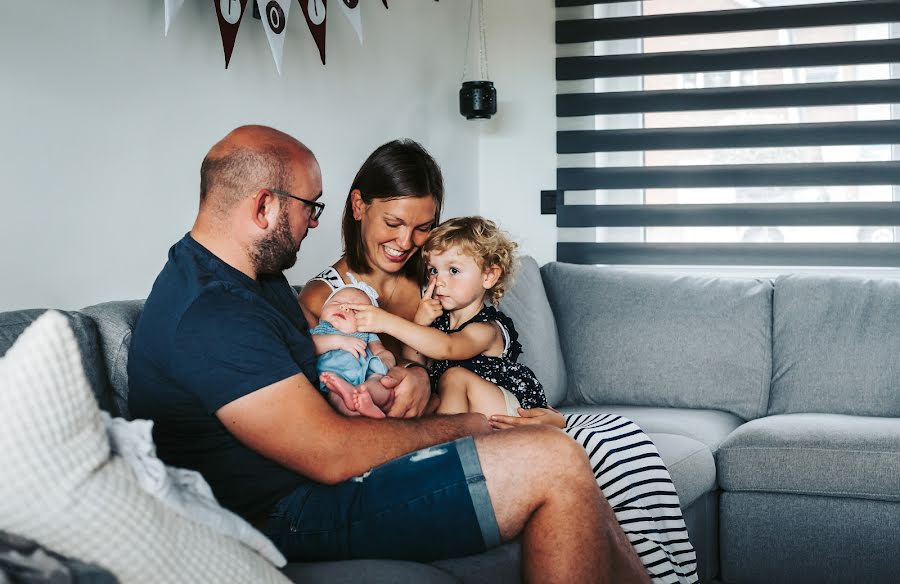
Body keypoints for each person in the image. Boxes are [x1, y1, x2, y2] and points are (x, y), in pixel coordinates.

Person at [129, 126, 649, 583]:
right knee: (552, 460)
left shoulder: (253, 280)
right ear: (264, 206)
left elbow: (331, 371)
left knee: (564, 457)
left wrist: (395, 375)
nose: (314, 223)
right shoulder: (211, 313)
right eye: (309, 207)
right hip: (293, 513)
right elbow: (331, 454)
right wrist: (470, 425)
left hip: (322, 481)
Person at [300, 140, 696, 584]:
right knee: (584, 459)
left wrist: (416, 373)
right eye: (393, 223)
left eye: (421, 230)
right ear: (358, 206)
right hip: (430, 430)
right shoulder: (328, 297)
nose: (404, 243)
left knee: (621, 448)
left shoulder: (434, 275)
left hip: (487, 409)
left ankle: (668, 573)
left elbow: (446, 353)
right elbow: (327, 378)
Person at [348, 216, 548, 418]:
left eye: (453, 270)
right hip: (468, 410)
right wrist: (420, 321)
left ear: (488, 276)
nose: (439, 281)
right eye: (433, 270)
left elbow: (447, 347)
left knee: (454, 378)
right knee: (424, 392)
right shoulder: (440, 322)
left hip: (511, 409)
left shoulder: (488, 328)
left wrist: (386, 321)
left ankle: (442, 440)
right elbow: (414, 363)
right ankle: (372, 407)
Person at [310, 281, 396, 418]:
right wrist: (338, 341)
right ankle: (356, 407)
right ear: (322, 310)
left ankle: (366, 401)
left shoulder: (367, 334)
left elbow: (380, 351)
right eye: (337, 302)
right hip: (335, 377)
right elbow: (309, 347)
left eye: (356, 310)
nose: (344, 308)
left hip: (367, 373)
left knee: (382, 386)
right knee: (335, 396)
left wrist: (386, 361)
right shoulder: (320, 331)